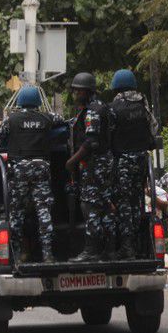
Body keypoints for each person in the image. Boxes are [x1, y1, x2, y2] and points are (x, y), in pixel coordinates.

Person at [0, 85, 65, 263]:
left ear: (19, 102)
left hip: (20, 169)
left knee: (17, 213)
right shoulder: (46, 118)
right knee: (44, 212)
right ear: (37, 102)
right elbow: (61, 121)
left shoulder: (11, 119)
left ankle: (18, 255)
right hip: (41, 168)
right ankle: (48, 254)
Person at [66, 72, 116, 262]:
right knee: (105, 205)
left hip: (95, 165)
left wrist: (72, 161)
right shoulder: (100, 107)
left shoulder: (93, 110)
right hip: (103, 163)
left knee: (89, 206)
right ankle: (109, 250)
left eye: (78, 91)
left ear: (87, 91)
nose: (76, 94)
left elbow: (91, 142)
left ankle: (91, 251)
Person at [109, 69, 157, 259]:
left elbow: (108, 134)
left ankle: (127, 246)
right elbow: (153, 127)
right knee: (137, 202)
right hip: (141, 160)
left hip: (123, 161)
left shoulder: (115, 106)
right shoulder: (143, 103)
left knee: (124, 204)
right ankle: (136, 245)